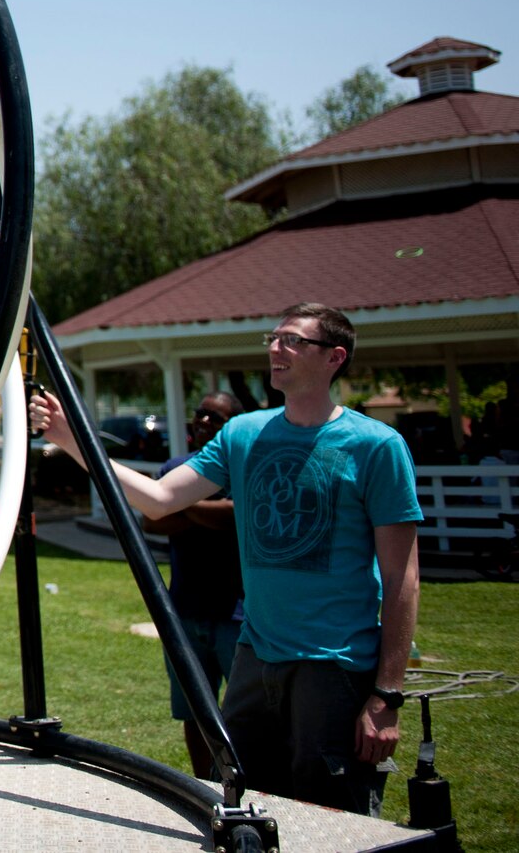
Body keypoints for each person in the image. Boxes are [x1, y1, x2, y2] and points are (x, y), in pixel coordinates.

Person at [30, 303, 422, 815]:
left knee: (334, 819)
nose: (276, 349)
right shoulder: (244, 435)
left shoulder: (377, 447)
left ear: (335, 358)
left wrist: (386, 696)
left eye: (294, 341)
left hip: (336, 668)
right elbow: (159, 498)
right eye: (274, 338)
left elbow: (402, 579)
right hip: (255, 659)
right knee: (241, 805)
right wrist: (71, 439)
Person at [140, 390, 246, 778]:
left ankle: (241, 783)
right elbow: (152, 521)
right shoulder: (177, 466)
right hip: (183, 610)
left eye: (214, 418)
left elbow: (234, 520)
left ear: (233, 425)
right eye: (200, 413)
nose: (203, 422)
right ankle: (205, 784)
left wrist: (175, 502)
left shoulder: (243, 465)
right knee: (195, 711)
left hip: (235, 612)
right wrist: (199, 508)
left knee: (243, 713)